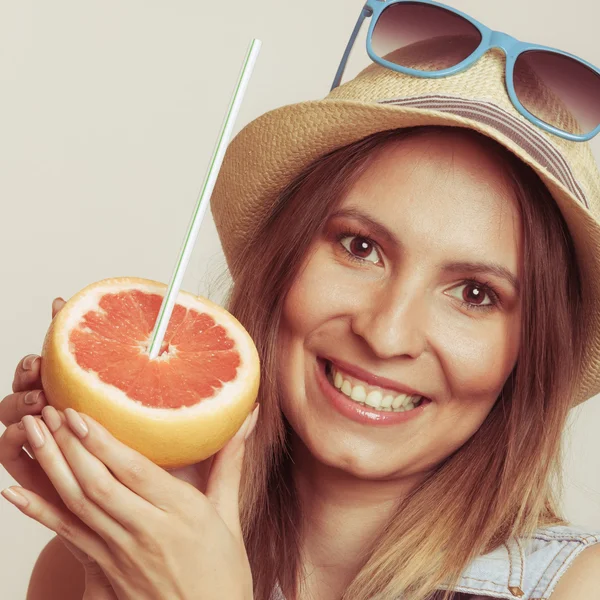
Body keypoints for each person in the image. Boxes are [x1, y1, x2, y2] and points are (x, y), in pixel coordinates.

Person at [2, 1, 600, 599]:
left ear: (531, 353)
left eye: (475, 293)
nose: (386, 334)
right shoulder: (96, 569)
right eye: (360, 247)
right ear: (284, 258)